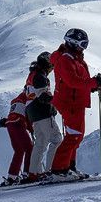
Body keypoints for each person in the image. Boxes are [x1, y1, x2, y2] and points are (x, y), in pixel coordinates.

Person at [49, 28, 101, 179]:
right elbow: (72, 81)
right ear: (72, 43)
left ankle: (68, 167)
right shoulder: (65, 59)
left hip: (76, 101)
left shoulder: (75, 59)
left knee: (76, 136)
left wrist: (94, 86)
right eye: (82, 44)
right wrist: (92, 82)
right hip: (70, 103)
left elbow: (80, 81)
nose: (84, 47)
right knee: (73, 136)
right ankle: (59, 170)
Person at [24, 52, 61, 182]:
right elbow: (43, 96)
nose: (52, 69)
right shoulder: (40, 76)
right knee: (56, 139)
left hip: (32, 113)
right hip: (42, 111)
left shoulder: (32, 75)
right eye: (52, 66)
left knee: (41, 143)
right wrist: (57, 100)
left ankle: (34, 172)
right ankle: (52, 170)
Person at [3, 87, 33, 185]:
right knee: (29, 148)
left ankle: (12, 176)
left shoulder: (17, 99)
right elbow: (28, 115)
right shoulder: (27, 98)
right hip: (18, 123)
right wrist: (32, 129)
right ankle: (27, 173)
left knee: (19, 151)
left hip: (10, 124)